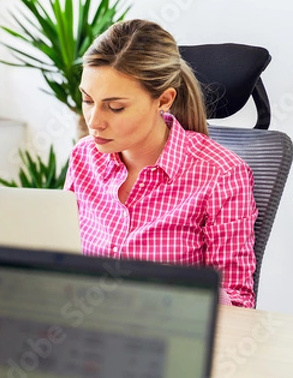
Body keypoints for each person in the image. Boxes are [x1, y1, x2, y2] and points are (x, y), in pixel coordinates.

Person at [64, 19, 257, 308]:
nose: (94, 122)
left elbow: (240, 304)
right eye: (88, 100)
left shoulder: (221, 174)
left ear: (164, 100)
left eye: (115, 107)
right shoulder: (84, 157)